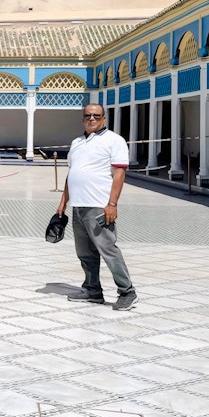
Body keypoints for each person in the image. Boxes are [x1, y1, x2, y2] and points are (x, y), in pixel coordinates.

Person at [56, 103, 137, 311]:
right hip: (79, 205)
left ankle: (127, 291)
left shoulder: (114, 141)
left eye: (96, 115)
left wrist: (112, 204)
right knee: (85, 252)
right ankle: (92, 290)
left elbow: (119, 173)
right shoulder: (77, 142)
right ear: (83, 118)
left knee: (108, 250)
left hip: (99, 206)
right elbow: (71, 174)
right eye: (88, 115)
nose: (92, 119)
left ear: (104, 118)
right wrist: (63, 201)